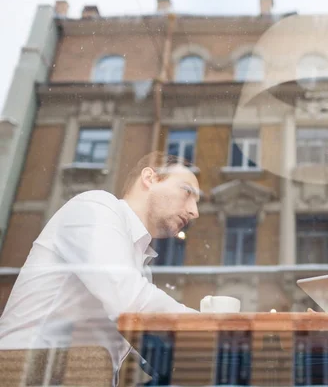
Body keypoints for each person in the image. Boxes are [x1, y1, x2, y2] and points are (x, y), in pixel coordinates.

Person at [0, 151, 201, 384]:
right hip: (22, 374)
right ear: (150, 178)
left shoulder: (139, 263)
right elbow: (129, 299)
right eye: (187, 192)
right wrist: (209, 321)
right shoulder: (95, 207)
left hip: (68, 375)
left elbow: (145, 339)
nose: (194, 211)